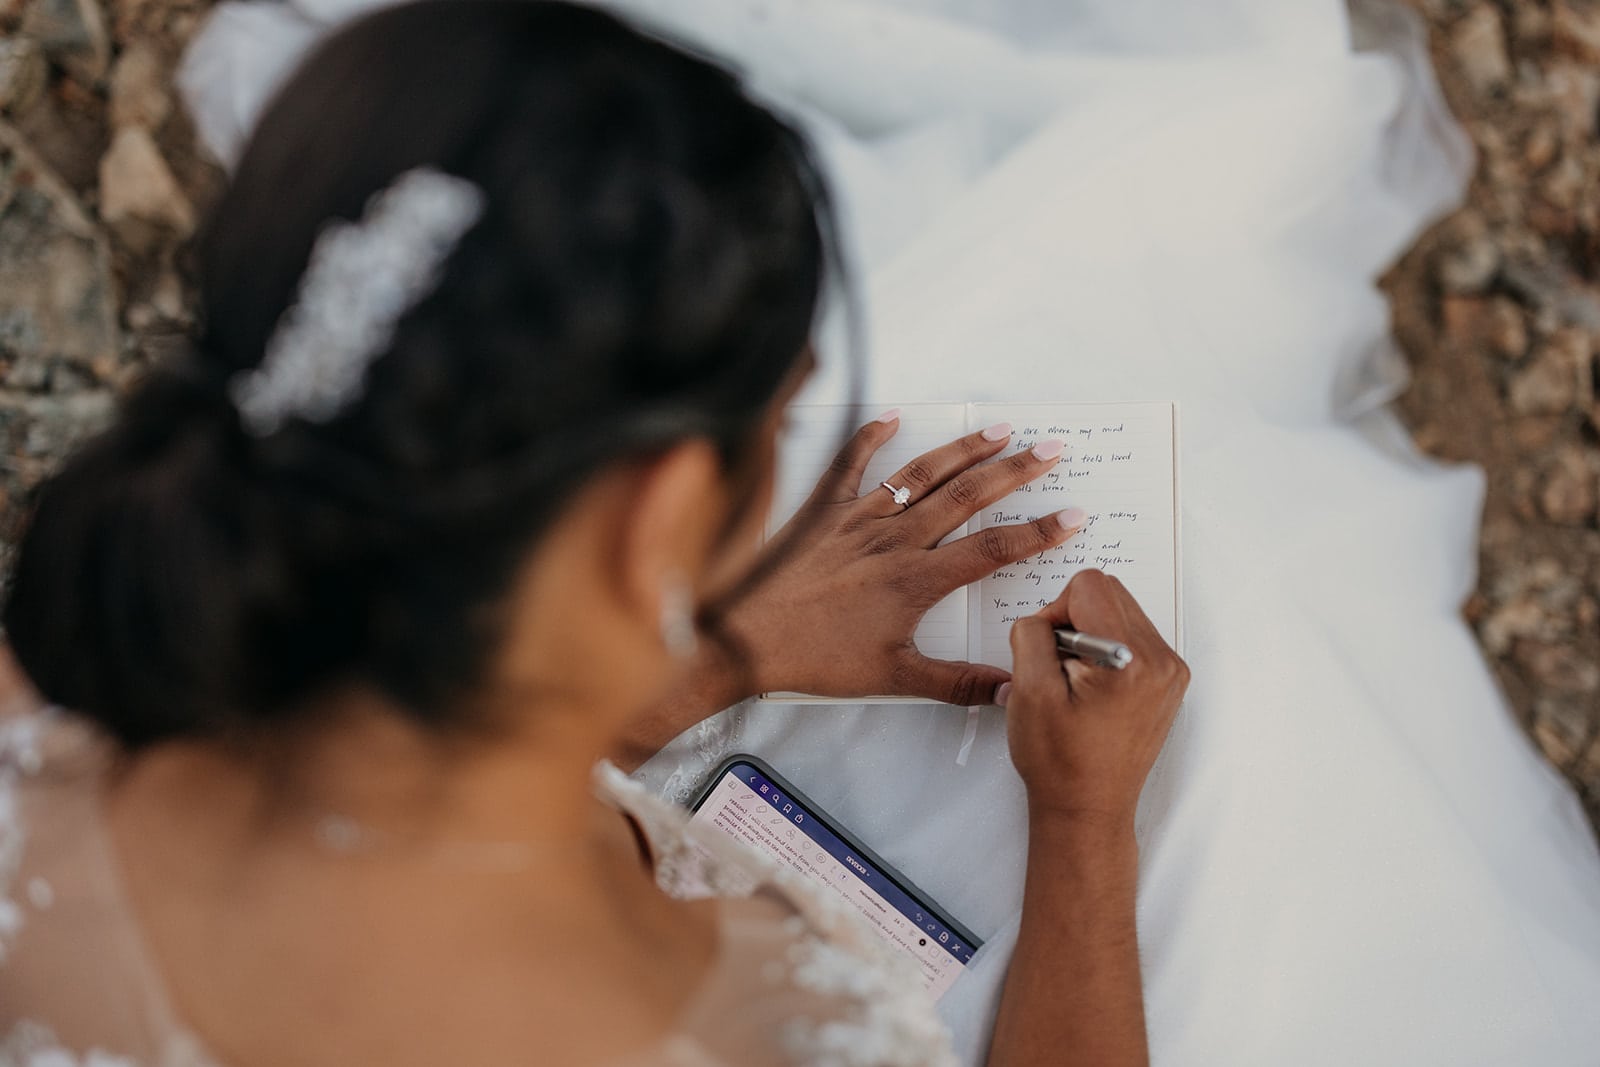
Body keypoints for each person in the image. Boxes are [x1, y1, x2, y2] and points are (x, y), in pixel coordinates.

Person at [0, 3, 1188, 1064]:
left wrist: (715, 659)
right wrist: (1084, 825)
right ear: (660, 510)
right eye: (784, 414)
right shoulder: (773, 1029)